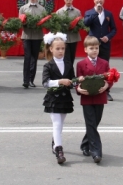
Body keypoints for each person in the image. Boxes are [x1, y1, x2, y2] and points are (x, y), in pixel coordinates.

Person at [42, 32, 80, 164]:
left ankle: (54, 141)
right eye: (57, 48)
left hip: (65, 99)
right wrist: (60, 81)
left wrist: (77, 82)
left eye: (62, 48)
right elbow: (45, 83)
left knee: (60, 124)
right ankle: (59, 151)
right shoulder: (48, 65)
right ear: (51, 49)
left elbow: (72, 81)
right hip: (53, 98)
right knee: (57, 123)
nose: (60, 51)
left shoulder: (68, 64)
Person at [76, 35, 112, 164]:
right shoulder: (80, 64)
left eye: (96, 48)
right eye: (91, 48)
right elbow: (77, 81)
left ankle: (85, 144)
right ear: (85, 49)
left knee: (94, 124)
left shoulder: (104, 63)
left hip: (100, 97)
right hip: (87, 98)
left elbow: (109, 78)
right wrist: (78, 89)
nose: (94, 50)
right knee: (91, 124)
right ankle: (96, 151)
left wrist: (107, 85)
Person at [83, 0, 116, 101]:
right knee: (92, 67)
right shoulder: (89, 12)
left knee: (104, 68)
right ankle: (91, 88)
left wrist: (108, 36)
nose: (99, 0)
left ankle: (106, 91)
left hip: (105, 44)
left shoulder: (108, 14)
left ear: (104, 0)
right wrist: (96, 13)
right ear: (94, 0)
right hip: (93, 45)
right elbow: (86, 23)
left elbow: (114, 29)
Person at [19, 0, 46, 88]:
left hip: (37, 36)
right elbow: (20, 22)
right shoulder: (23, 8)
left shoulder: (42, 9)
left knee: (34, 58)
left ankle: (31, 80)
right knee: (27, 57)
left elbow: (44, 22)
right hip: (26, 36)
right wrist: (25, 23)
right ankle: (25, 80)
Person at [55, 0, 81, 66]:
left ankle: (70, 73)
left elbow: (80, 24)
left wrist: (75, 26)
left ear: (72, 0)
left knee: (72, 57)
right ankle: (66, 74)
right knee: (65, 57)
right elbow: (57, 25)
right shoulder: (59, 12)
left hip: (73, 37)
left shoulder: (77, 12)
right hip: (64, 38)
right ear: (64, 0)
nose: (68, 1)